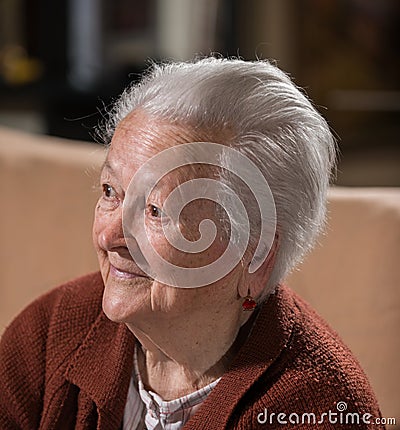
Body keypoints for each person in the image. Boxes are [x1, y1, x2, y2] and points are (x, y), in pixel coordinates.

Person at [0, 57, 383, 429]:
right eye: (110, 191)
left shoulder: (320, 408)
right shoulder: (54, 330)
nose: (109, 236)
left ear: (257, 257)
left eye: (156, 210)